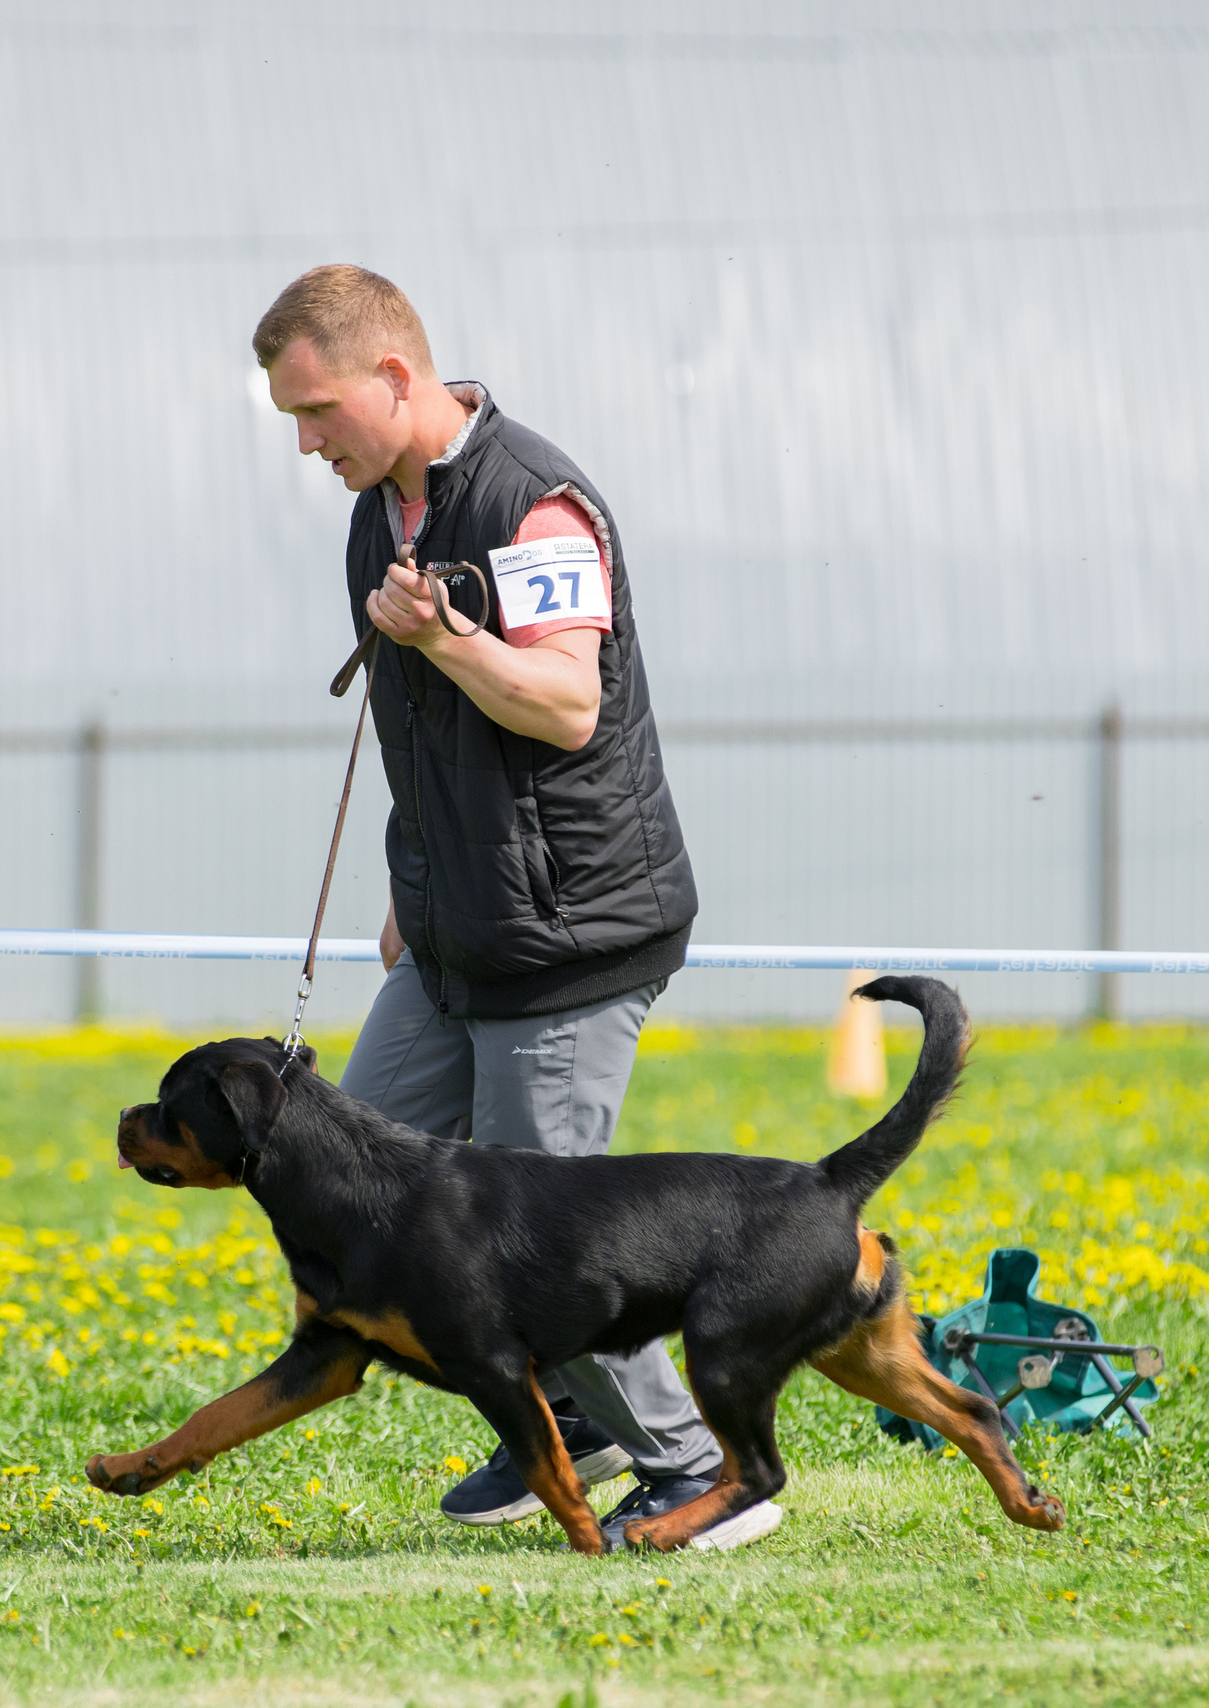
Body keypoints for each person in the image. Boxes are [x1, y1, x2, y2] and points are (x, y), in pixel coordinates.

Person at [251, 264, 781, 1553]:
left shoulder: (536, 507)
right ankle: (563, 1417)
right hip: (453, 934)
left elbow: (565, 704)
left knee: (538, 1232)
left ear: (392, 376)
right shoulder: (380, 513)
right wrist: (408, 881)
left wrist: (443, 638)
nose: (307, 443)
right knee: (352, 1157)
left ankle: (698, 1472)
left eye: (317, 412)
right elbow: (420, 740)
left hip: (572, 939)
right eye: (290, 422)